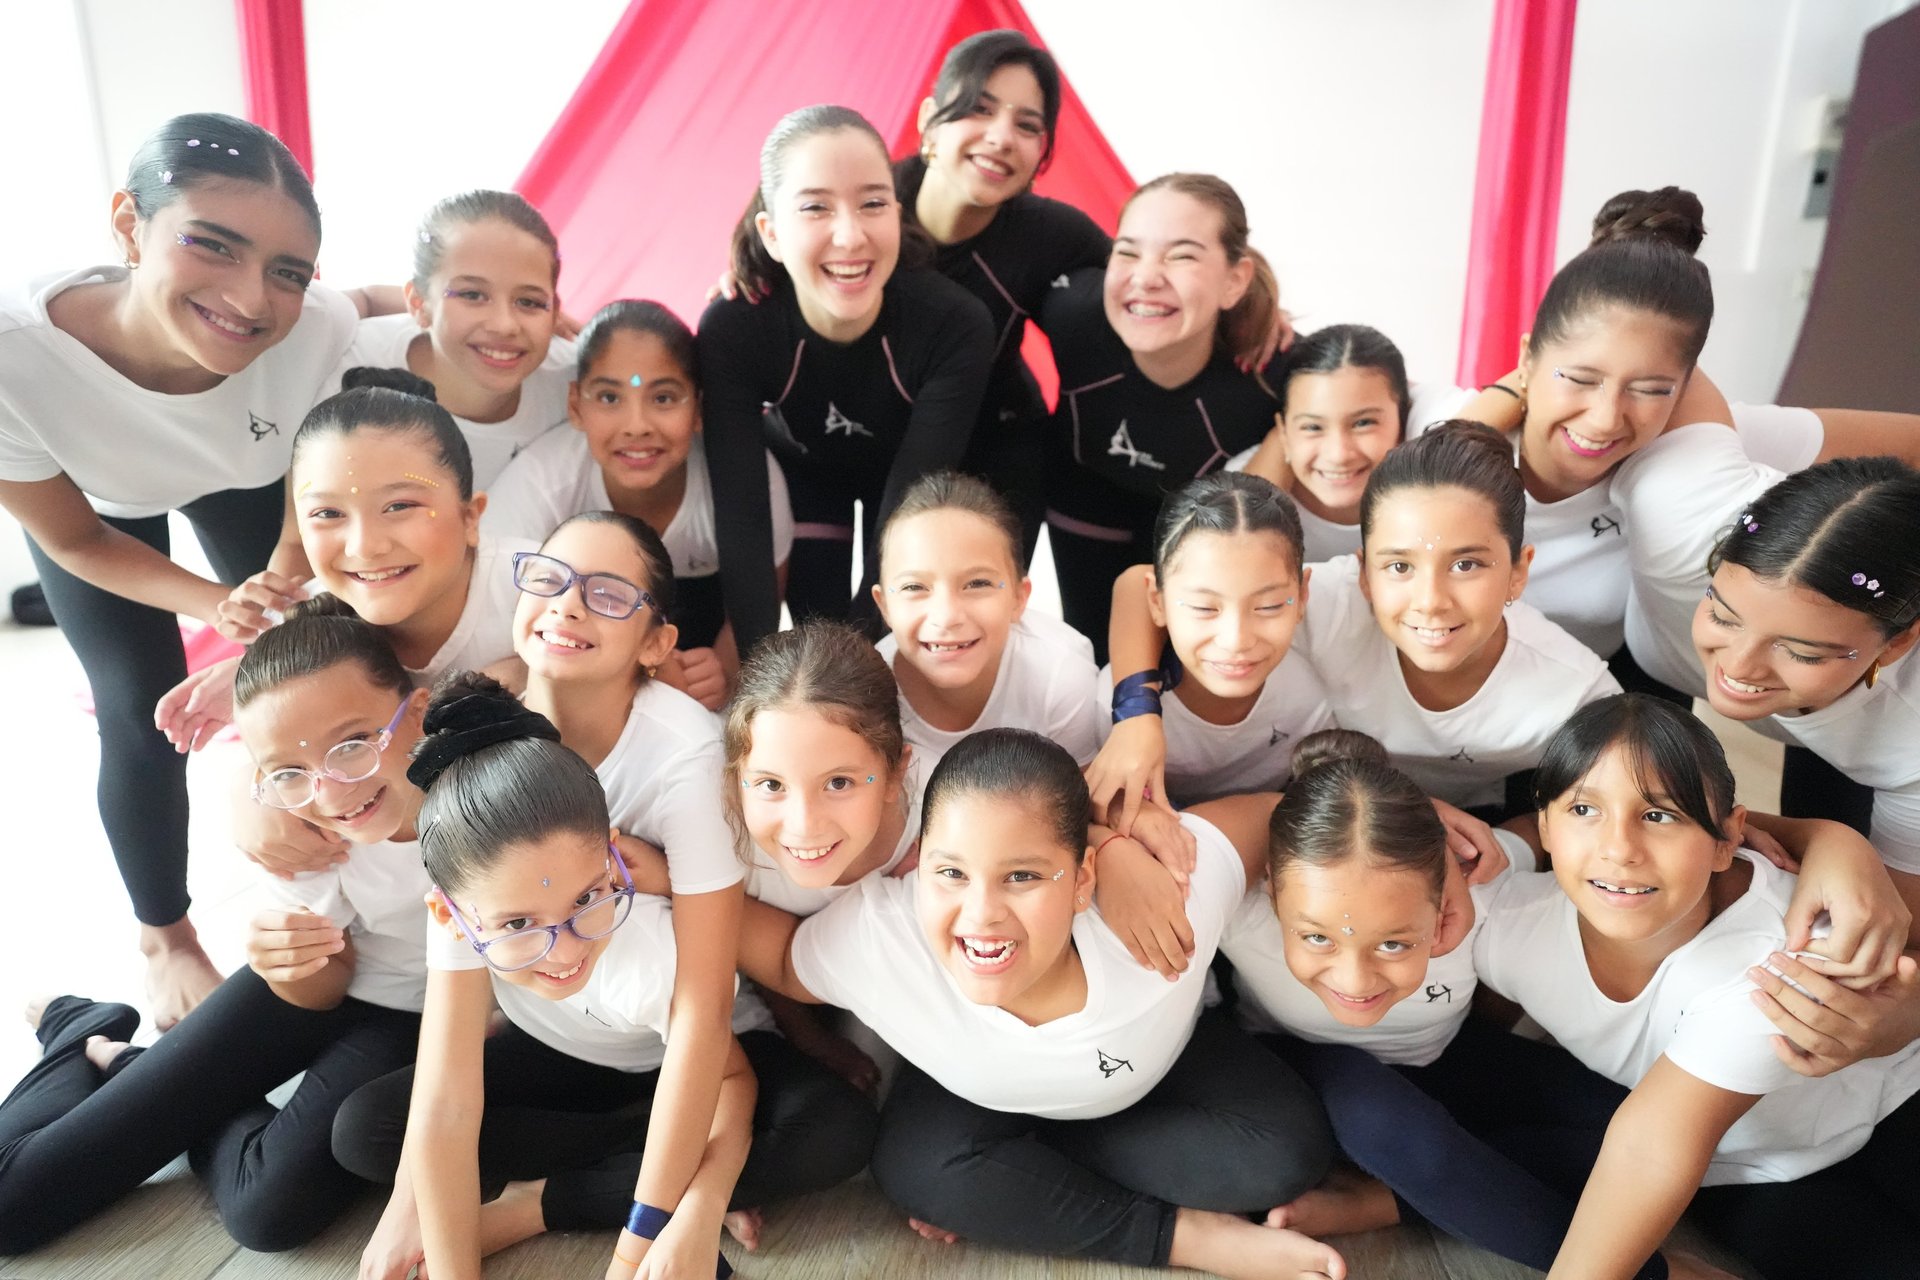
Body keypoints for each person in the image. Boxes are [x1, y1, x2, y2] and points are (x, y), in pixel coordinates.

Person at [737, 727, 1343, 1279]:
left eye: (1022, 877)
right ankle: (1183, 1237)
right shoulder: (883, 934)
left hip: (1154, 1075)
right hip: (980, 1105)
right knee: (921, 1172)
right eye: (950, 874)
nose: (981, 915)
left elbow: (1272, 814)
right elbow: (786, 958)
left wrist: (1420, 838)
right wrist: (663, 879)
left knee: (1289, 1152)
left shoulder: (1165, 896)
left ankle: (1029, 1168)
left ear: (1081, 880)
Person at [0, 112, 364, 1024]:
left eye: (287, 270)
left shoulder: (315, 326)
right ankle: (165, 936)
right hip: (104, 507)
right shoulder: (13, 354)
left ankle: (349, 865)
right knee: (137, 702)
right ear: (128, 223)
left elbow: (318, 461)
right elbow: (77, 543)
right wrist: (214, 605)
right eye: (213, 245)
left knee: (318, 657)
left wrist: (275, 581)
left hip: (249, 479)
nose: (251, 298)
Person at [334, 674, 871, 1280]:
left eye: (588, 899)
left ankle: (543, 1202)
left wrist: (656, 1234)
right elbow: (445, 1106)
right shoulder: (462, 908)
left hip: (705, 1065)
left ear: (614, 860)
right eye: (518, 923)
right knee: (367, 1129)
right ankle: (648, 1166)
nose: (564, 950)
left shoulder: (642, 955)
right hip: (581, 1070)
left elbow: (725, 1079)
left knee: (828, 1131)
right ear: (449, 912)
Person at [0, 598, 430, 1252]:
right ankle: (72, 1026)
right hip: (332, 990)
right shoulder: (299, 822)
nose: (333, 789)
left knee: (268, 1214)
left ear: (418, 713)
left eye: (354, 744)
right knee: (14, 1204)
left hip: (419, 1017)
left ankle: (124, 1061)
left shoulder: (488, 794)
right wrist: (296, 962)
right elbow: (323, 992)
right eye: (288, 771)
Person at [1476, 694, 1920, 1279]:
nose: (1619, 849)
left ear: (1726, 839)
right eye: (1584, 810)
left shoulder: (1774, 959)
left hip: (1894, 1104)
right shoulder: (1510, 927)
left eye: (1659, 815)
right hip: (1752, 1165)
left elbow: (1650, 1143)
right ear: (1545, 828)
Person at [1103, 423, 1620, 819]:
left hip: (1470, 823)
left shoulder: (1574, 690)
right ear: (1364, 573)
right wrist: (1137, 716)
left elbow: (1608, 804)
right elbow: (1140, 585)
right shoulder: (1326, 603)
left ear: (1518, 572)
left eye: (1466, 565)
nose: (1430, 600)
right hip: (1339, 807)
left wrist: (1513, 845)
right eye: (1398, 566)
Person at [699, 104, 994, 645]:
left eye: (872, 204)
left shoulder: (954, 324)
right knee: (813, 634)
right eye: (815, 207)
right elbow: (743, 516)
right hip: (809, 476)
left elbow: (908, 515)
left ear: (897, 214)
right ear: (771, 233)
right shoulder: (736, 326)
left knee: (875, 644)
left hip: (912, 484)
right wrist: (755, 664)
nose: (850, 236)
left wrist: (857, 657)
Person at [1613, 445, 1920, 921]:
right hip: (1630, 662)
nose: (1740, 667)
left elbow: (1898, 909)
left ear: (1896, 645)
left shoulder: (1909, 738)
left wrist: (1821, 838)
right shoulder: (1675, 509)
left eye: (1802, 652)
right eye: (1721, 616)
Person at [483, 299, 793, 707]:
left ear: (699, 408)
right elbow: (502, 634)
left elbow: (759, 607)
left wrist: (723, 671)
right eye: (610, 398)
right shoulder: (541, 483)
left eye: (663, 398)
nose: (637, 427)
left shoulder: (746, 480)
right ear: (576, 404)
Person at [1038, 172, 1283, 658]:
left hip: (1198, 523)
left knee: (1197, 670)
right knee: (1097, 665)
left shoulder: (1271, 369)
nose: (1146, 277)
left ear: (1235, 280)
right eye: (1127, 251)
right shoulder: (1071, 312)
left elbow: (1382, 393)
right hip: (1086, 499)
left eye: (1182, 255)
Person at [1087, 471, 1334, 810]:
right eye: (1204, 607)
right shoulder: (1104, 708)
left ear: (1303, 596)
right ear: (1157, 602)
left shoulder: (1316, 691)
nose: (1236, 640)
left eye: (1268, 606)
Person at [328, 190, 573, 487]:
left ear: (555, 312)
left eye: (530, 302)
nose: (505, 325)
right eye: (472, 295)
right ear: (418, 303)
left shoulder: (577, 383)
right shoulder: (344, 367)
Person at [873, 470, 1101, 789]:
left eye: (977, 583)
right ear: (884, 605)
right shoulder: (870, 693)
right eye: (914, 586)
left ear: (1019, 598)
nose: (947, 616)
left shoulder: (1060, 676)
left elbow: (1084, 807)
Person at [1230, 324, 1471, 562]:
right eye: (1313, 427)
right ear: (1283, 432)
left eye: (1363, 423)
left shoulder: (1427, 428)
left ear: (1403, 420)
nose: (1339, 454)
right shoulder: (1238, 484)